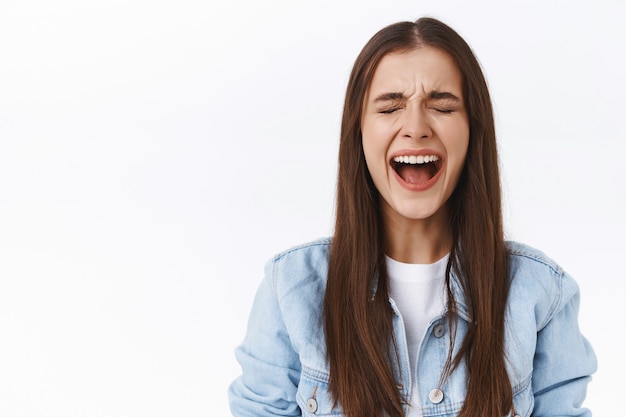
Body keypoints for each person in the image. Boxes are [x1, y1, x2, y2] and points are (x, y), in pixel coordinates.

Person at [228, 17, 596, 417]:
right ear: (359, 132)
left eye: (441, 106)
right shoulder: (291, 289)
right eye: (390, 107)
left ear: (473, 130)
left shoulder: (542, 293)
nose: (416, 127)